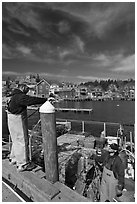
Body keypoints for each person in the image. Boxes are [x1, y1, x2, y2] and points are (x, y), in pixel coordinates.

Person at [6, 83, 54, 172]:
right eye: (27, 90)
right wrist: (46, 100)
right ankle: (23, 164)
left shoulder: (12, 96)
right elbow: (31, 100)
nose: (27, 92)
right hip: (18, 119)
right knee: (22, 140)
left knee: (15, 140)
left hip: (11, 119)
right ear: (23, 88)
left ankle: (13, 158)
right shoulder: (20, 97)